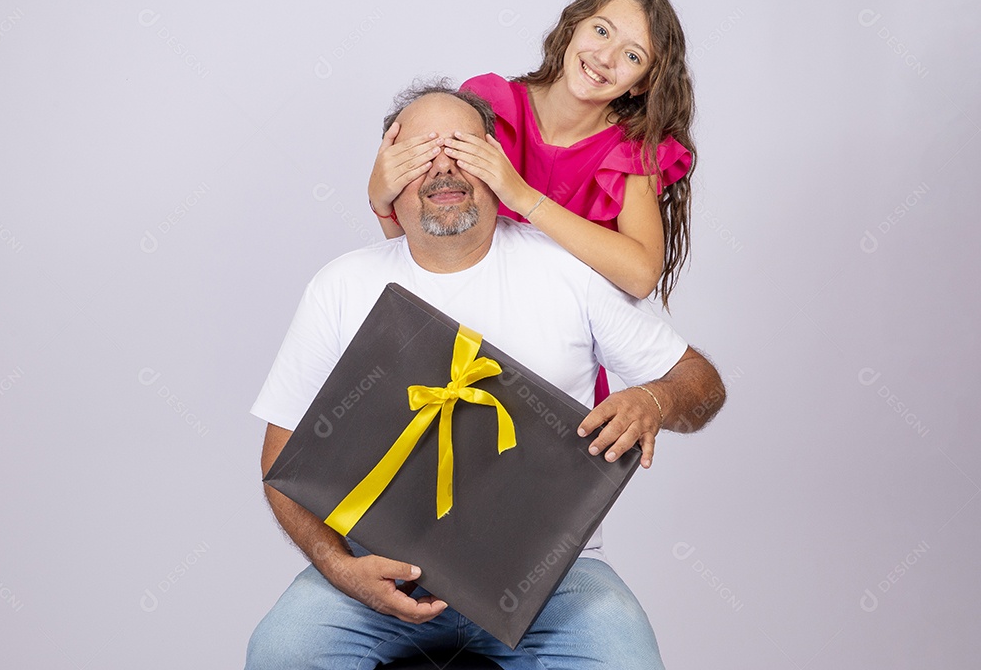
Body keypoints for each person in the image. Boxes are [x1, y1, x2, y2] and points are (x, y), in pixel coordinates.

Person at [245, 85, 725, 669]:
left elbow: (700, 384)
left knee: (625, 657)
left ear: (497, 162)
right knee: (281, 650)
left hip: (553, 581)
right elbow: (280, 458)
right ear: (389, 172)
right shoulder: (341, 286)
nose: (444, 166)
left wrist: (653, 399)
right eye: (421, 152)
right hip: (381, 573)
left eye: (463, 147)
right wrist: (338, 566)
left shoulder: (567, 269)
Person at [367, 0, 696, 403]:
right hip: (454, 346)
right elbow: (425, 244)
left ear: (641, 84)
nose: (605, 57)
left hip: (556, 370)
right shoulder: (490, 105)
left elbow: (641, 274)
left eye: (632, 56)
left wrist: (522, 196)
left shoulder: (631, 153)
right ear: (572, 28)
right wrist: (381, 203)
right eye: (601, 31)